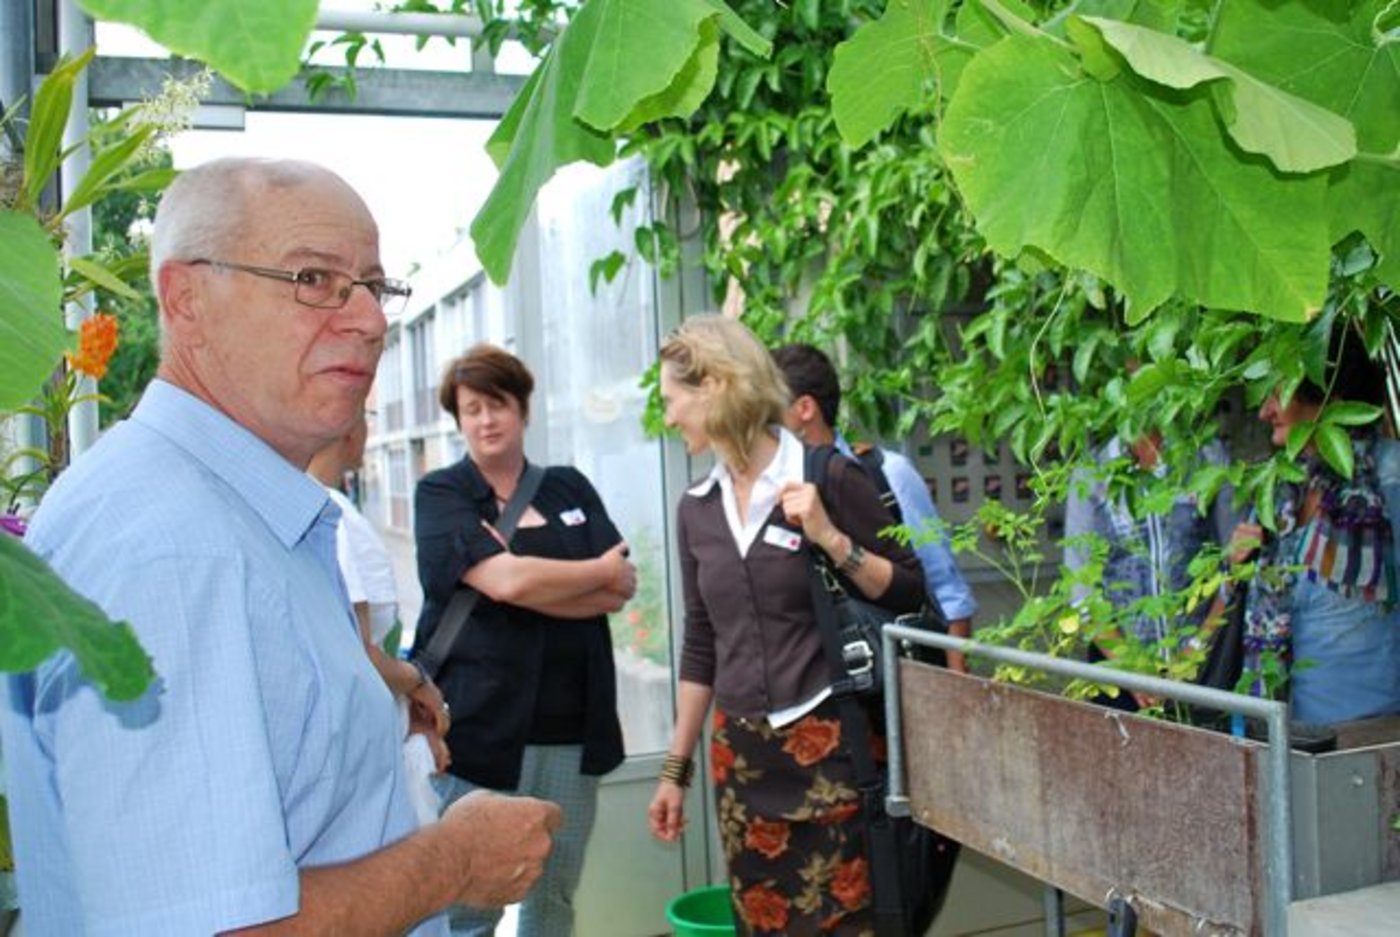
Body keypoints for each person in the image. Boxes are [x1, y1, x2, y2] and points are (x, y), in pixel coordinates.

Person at [0, 157, 560, 936]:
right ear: (185, 298)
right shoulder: (173, 547)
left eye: (373, 284)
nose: (367, 318)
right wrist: (455, 860)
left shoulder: (232, 512)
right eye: (312, 278)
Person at [647, 314, 926, 934]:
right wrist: (675, 770)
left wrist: (829, 537)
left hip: (834, 753)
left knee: (847, 923)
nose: (668, 418)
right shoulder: (696, 509)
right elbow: (702, 643)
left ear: (715, 386)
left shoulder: (826, 473)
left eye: (673, 401)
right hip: (742, 766)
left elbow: (910, 591)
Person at [412, 343, 636, 937]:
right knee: (468, 906)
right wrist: (591, 574)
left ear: (524, 409)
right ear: (457, 419)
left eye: (498, 405)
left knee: (554, 894)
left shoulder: (567, 487)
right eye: (472, 408)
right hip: (478, 729)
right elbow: (509, 582)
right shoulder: (442, 494)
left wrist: (523, 577)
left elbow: (620, 591)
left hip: (569, 728)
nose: (486, 420)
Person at [1228, 326, 1400, 725]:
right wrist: (1235, 564)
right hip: (1283, 734)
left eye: (1277, 392)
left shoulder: (1389, 476)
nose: (1264, 410)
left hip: (1374, 736)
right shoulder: (1282, 485)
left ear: (1325, 393)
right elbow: (1232, 607)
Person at [772, 342, 978, 673]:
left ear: (804, 409)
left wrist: (957, 694)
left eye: (769, 410)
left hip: (895, 676)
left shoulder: (886, 473)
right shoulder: (767, 489)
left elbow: (948, 590)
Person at [308, 413, 450, 822]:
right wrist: (420, 683)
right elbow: (356, 655)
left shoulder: (321, 507)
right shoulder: (327, 518)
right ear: (351, 428)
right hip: (371, 768)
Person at [1063, 429, 1235, 709]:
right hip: (1119, 676)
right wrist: (1131, 668)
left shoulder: (1205, 455)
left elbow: (1234, 565)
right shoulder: (1093, 470)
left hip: (1203, 668)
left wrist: (1194, 653)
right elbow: (1081, 588)